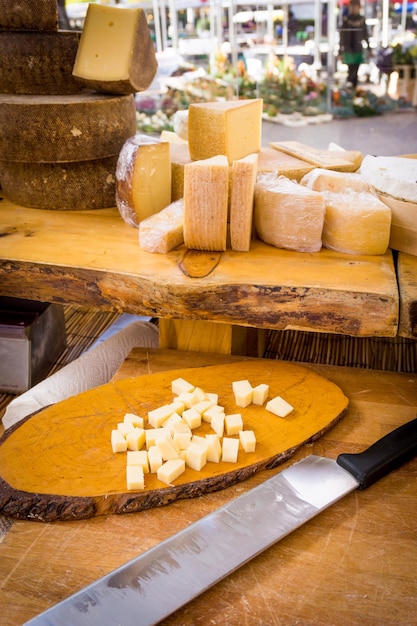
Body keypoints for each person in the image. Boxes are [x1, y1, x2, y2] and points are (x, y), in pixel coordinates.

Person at [338, 0, 369, 88]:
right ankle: (349, 88)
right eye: (352, 6)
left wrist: (369, 48)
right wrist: (339, 51)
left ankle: (353, 89)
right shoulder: (346, 19)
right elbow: (342, 36)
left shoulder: (362, 19)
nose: (354, 8)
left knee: (355, 70)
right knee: (351, 70)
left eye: (356, 6)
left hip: (358, 48)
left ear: (359, 7)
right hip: (348, 48)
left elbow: (365, 35)